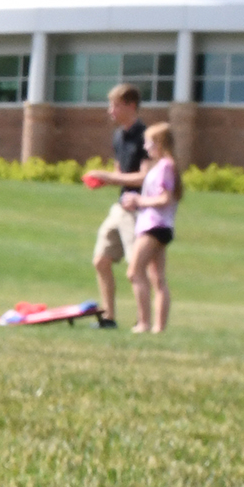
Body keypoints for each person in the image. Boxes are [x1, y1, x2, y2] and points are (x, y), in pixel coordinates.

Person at [83, 84, 150, 330]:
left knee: (136, 268)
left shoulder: (146, 136)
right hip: (120, 206)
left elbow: (144, 177)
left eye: (116, 105)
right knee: (101, 260)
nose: (110, 110)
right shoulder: (118, 135)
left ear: (131, 106)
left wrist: (110, 177)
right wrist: (105, 179)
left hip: (139, 209)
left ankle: (143, 321)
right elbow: (120, 173)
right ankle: (108, 318)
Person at [128, 122, 182, 335]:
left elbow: (164, 198)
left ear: (159, 143)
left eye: (149, 143)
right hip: (156, 225)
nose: (146, 147)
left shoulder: (166, 166)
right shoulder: (160, 166)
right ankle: (159, 328)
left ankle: (144, 322)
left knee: (134, 271)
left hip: (155, 225)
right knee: (157, 278)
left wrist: (138, 201)